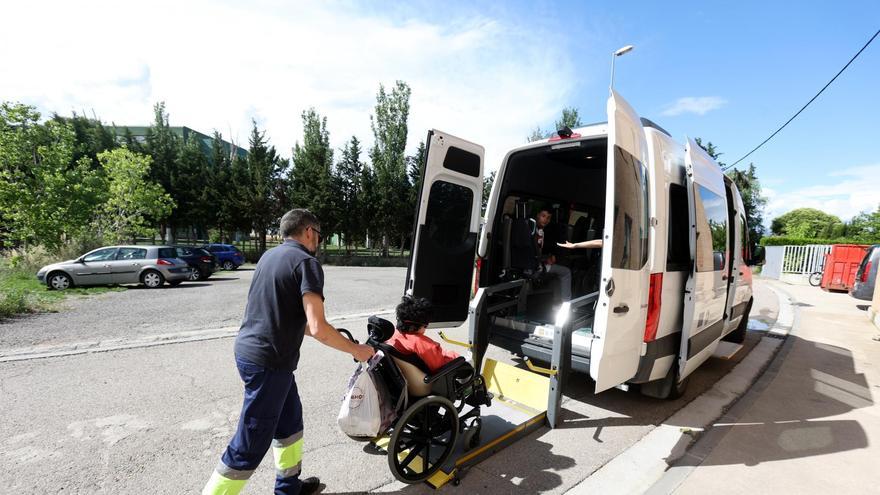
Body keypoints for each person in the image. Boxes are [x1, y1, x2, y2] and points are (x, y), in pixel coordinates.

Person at [203, 209, 375, 495]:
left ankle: (288, 487)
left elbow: (295, 320)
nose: (318, 242)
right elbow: (318, 327)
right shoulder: (306, 263)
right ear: (309, 231)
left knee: (290, 421)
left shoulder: (269, 257)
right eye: (319, 236)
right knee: (252, 440)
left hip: (255, 354)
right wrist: (355, 349)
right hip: (269, 361)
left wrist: (334, 334)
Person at [387, 295, 459, 373]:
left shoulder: (393, 335)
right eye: (425, 325)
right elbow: (440, 367)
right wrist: (455, 356)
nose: (426, 328)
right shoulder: (423, 344)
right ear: (412, 327)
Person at [534, 208, 572, 301]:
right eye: (543, 216)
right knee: (566, 272)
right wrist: (546, 259)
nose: (546, 220)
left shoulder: (539, 230)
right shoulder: (536, 232)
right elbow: (534, 253)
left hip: (535, 264)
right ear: (537, 215)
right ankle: (566, 303)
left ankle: (556, 301)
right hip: (535, 266)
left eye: (548, 218)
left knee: (557, 273)